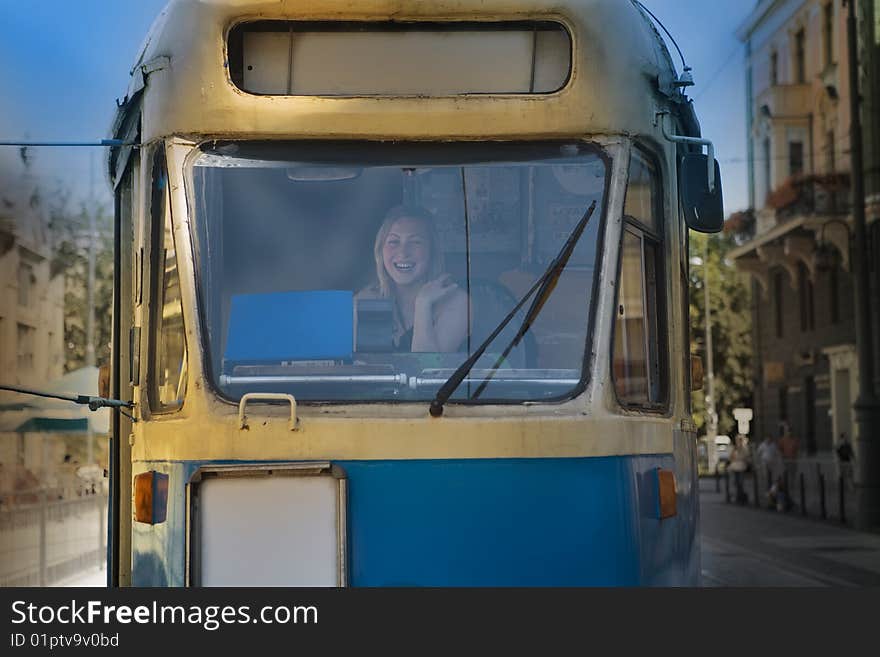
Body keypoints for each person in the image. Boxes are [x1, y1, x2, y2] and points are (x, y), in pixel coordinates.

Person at [357, 205, 468, 352]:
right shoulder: (366, 300)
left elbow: (428, 369)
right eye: (393, 242)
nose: (403, 253)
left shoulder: (457, 302)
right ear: (380, 250)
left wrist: (423, 304)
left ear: (432, 251)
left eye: (415, 242)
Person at [728, 434, 751, 505]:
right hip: (734, 467)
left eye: (740, 440)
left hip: (742, 467)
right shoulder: (734, 448)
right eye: (737, 440)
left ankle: (741, 498)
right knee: (735, 483)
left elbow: (746, 457)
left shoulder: (744, 448)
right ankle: (737, 497)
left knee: (740, 483)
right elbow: (731, 457)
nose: (738, 441)